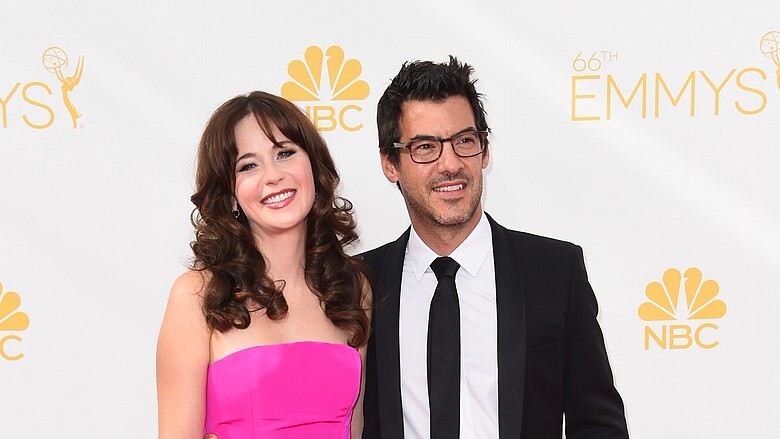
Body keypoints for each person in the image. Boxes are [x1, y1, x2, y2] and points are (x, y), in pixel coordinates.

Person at [361, 57, 629, 438]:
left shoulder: (555, 272)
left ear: (484, 150)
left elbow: (599, 424)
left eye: (464, 141)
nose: (450, 164)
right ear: (390, 163)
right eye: (425, 147)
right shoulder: (359, 284)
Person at [156, 91, 370, 438]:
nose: (273, 175)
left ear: (313, 165)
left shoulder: (352, 288)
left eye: (285, 153)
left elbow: (354, 428)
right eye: (248, 165)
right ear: (230, 193)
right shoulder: (197, 295)